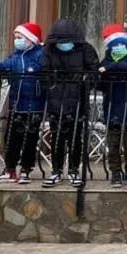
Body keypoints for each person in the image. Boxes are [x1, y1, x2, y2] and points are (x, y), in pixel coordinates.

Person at [41, 19, 99, 188]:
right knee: (57, 138)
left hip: (78, 100)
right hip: (55, 100)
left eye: (66, 41)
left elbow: (93, 71)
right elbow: (44, 71)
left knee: (75, 138)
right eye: (61, 42)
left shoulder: (85, 49)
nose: (63, 44)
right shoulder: (49, 50)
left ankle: (74, 171)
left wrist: (85, 78)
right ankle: (56, 171)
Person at [0, 22, 45, 184]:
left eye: (20, 38)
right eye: (16, 38)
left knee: (30, 138)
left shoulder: (41, 54)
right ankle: (10, 170)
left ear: (31, 39)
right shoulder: (15, 56)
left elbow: (47, 72)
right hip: (16, 104)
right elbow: (5, 66)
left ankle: (26, 170)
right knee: (12, 137)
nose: (16, 41)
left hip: (35, 105)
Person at [98, 23, 127, 188]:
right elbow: (100, 80)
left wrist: (111, 68)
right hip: (112, 103)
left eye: (119, 43)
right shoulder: (107, 56)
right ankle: (115, 172)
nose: (117, 46)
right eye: (113, 44)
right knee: (113, 142)